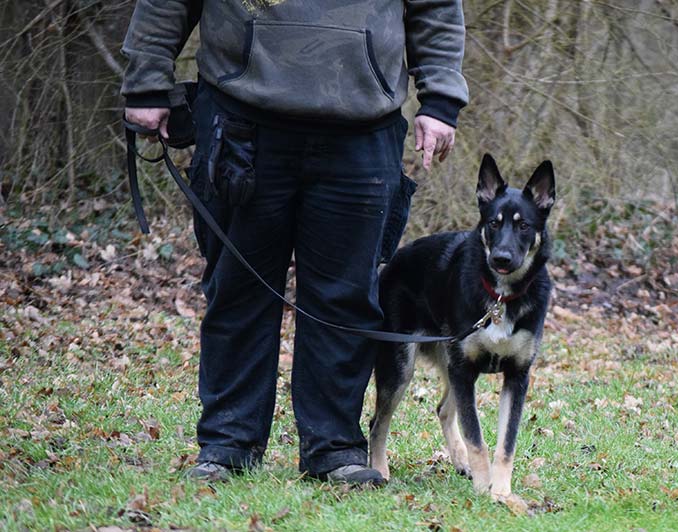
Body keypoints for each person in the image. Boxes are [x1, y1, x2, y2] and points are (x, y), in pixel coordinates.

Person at [121, 0, 468, 486]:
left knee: (345, 299)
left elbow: (435, 6)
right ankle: (228, 445)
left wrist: (441, 98)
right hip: (242, 118)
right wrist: (146, 79)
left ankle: (335, 452)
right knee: (239, 290)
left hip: (363, 127)